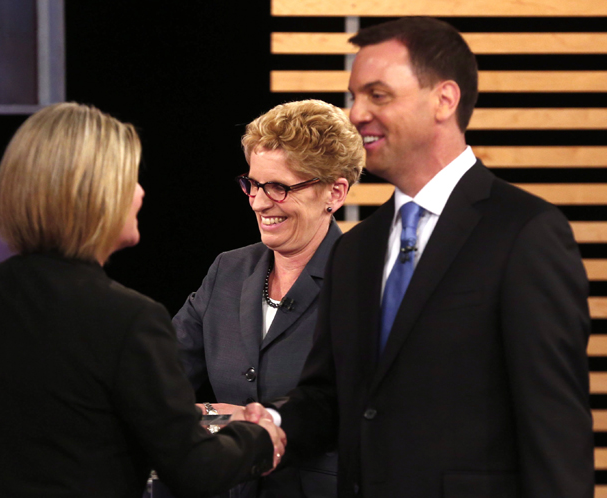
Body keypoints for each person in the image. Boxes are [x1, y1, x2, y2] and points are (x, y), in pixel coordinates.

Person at [237, 17, 594, 498]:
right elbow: (330, 399)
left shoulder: (525, 233)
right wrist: (272, 422)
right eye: (354, 97)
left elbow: (555, 433)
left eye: (377, 95)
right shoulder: (357, 249)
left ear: (444, 99)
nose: (357, 114)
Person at [0, 102, 285, 498]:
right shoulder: (129, 320)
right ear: (96, 196)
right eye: (129, 180)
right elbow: (193, 468)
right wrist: (260, 439)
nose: (140, 193)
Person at [173, 99, 364, 498]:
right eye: (254, 184)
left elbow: (357, 415)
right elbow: (160, 377)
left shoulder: (360, 282)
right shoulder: (228, 270)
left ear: (335, 191)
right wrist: (216, 415)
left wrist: (241, 420)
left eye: (279, 187)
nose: (259, 203)